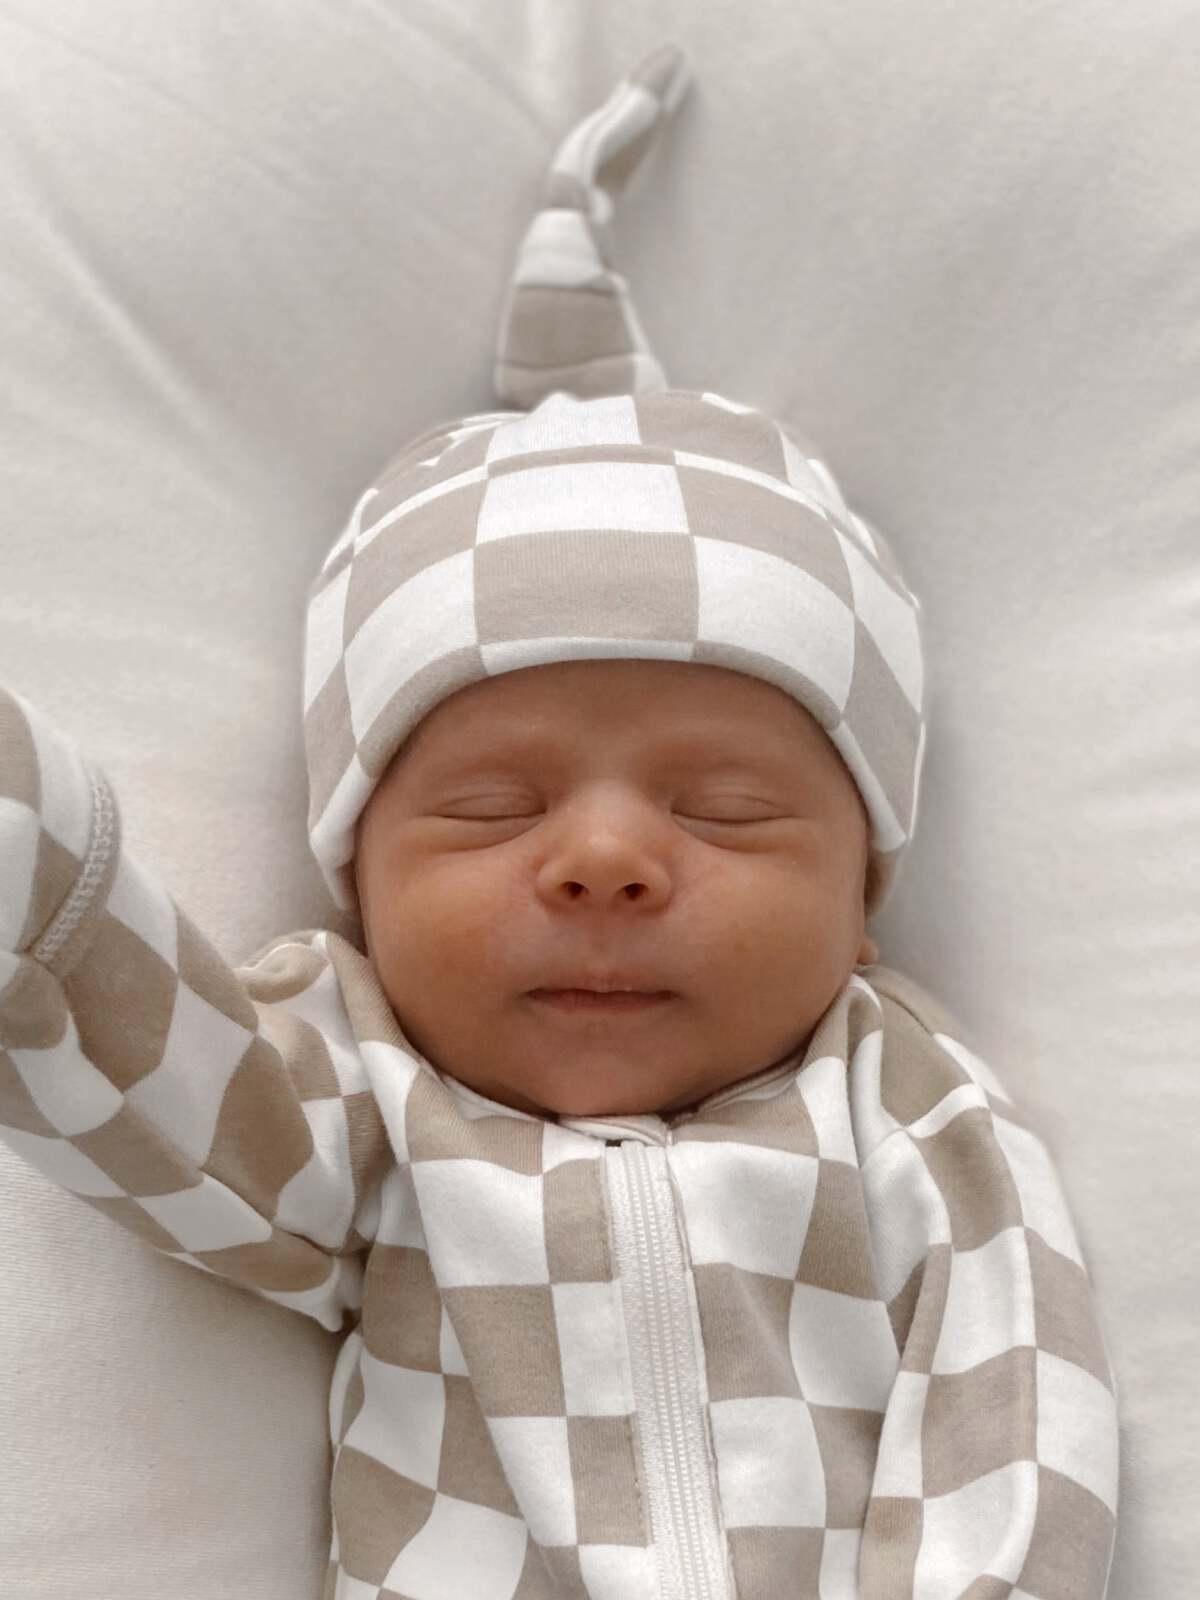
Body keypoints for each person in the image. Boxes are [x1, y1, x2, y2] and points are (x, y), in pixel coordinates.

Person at [0, 43, 1118, 1600]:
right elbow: (161, 1093)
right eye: (488, 805)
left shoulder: (910, 1114)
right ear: (359, 887)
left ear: (865, 894)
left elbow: (1016, 1431)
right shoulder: (369, 1098)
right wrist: (36, 876)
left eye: (726, 809)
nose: (604, 858)